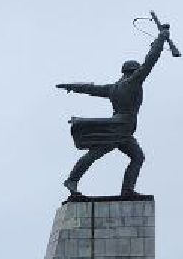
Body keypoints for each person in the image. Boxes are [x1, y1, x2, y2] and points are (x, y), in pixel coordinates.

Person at [58, 23, 170, 199]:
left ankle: (124, 190)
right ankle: (73, 180)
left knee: (132, 156)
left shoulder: (115, 87)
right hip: (121, 127)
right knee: (110, 154)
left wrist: (72, 86)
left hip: (120, 127)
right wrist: (162, 37)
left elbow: (91, 89)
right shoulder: (133, 82)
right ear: (134, 71)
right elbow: (151, 59)